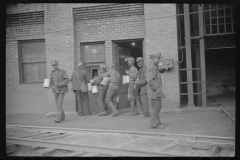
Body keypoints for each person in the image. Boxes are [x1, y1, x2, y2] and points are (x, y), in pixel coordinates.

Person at [147, 52, 168, 129]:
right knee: (156, 108)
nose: (159, 60)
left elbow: (158, 71)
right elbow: (150, 80)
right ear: (153, 59)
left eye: (160, 58)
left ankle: (157, 123)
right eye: (158, 58)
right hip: (154, 92)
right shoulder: (152, 68)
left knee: (156, 107)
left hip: (155, 92)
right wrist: (156, 89)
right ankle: (154, 124)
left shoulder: (154, 67)